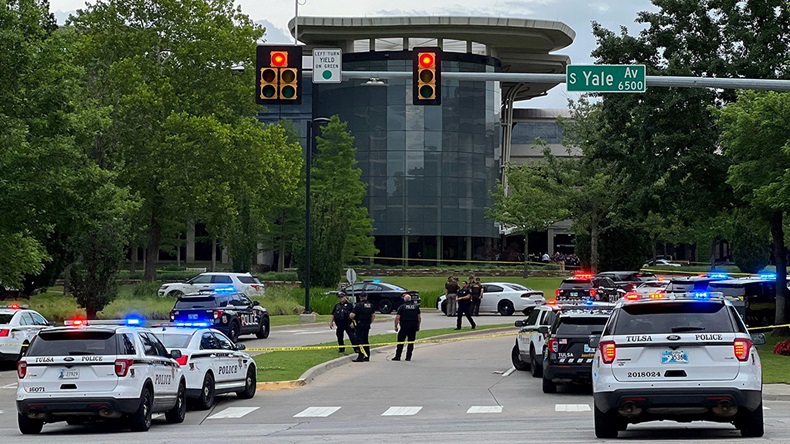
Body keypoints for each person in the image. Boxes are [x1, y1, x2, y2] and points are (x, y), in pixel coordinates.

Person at [393, 294, 421, 361]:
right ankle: (408, 357)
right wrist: (418, 326)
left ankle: (398, 356)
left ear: (404, 300)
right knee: (411, 342)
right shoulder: (416, 307)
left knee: (400, 342)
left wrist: (396, 326)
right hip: (413, 326)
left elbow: (397, 317)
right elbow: (419, 317)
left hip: (404, 326)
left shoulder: (402, 307)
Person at [350, 292, 376, 362]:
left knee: (359, 341)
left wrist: (351, 317)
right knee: (366, 340)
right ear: (366, 296)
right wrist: (370, 322)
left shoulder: (358, 305)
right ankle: (367, 356)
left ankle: (360, 356)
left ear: (360, 297)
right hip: (367, 324)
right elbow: (373, 315)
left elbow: (352, 315)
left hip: (359, 325)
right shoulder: (370, 305)